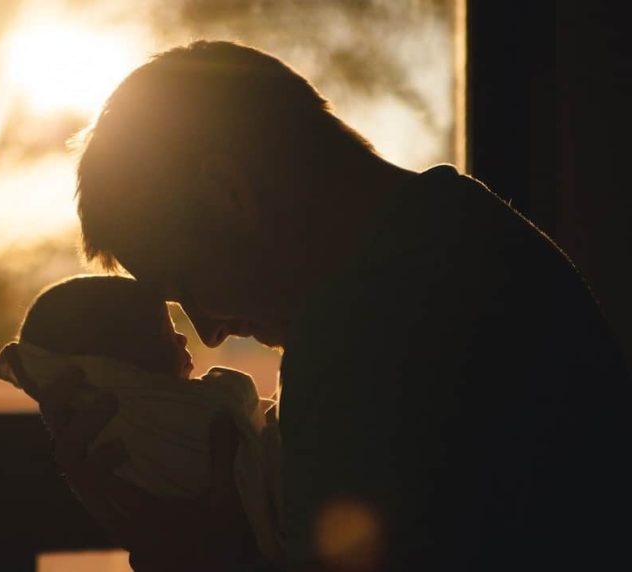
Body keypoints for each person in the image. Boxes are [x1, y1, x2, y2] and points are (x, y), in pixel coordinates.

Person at [41, 40, 631, 570]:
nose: (209, 333)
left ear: (227, 192)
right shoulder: (472, 239)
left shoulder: (363, 334)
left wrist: (192, 558)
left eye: (185, 284)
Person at [0, 275, 284, 567]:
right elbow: (236, 403)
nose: (185, 336)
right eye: (163, 332)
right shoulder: (163, 416)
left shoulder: (104, 437)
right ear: (114, 368)